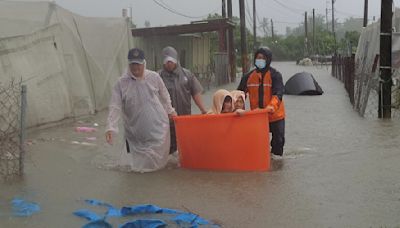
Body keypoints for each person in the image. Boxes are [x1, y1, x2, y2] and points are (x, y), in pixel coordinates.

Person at [105, 48, 176, 172]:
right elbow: (115, 106)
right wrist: (111, 127)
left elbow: (165, 95)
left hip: (157, 129)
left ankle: (155, 186)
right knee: (138, 167)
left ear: (144, 63)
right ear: (129, 64)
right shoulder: (121, 83)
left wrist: (170, 111)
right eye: (132, 64)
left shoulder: (154, 77)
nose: (135, 67)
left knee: (158, 165)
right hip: (135, 132)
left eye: (138, 64)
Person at [237, 47, 286, 157]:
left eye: (263, 58)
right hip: (257, 116)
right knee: (256, 143)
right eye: (258, 58)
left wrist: (271, 107)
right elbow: (239, 95)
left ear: (268, 59)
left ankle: (276, 164)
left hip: (275, 115)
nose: (260, 60)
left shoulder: (275, 75)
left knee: (278, 141)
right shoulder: (248, 77)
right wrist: (236, 108)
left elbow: (278, 94)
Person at [158, 46, 207, 154]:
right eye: (166, 62)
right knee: (168, 152)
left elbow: (196, 93)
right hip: (166, 122)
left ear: (176, 60)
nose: (169, 64)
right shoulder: (157, 77)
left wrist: (203, 110)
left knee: (186, 148)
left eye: (171, 61)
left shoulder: (187, 74)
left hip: (185, 120)